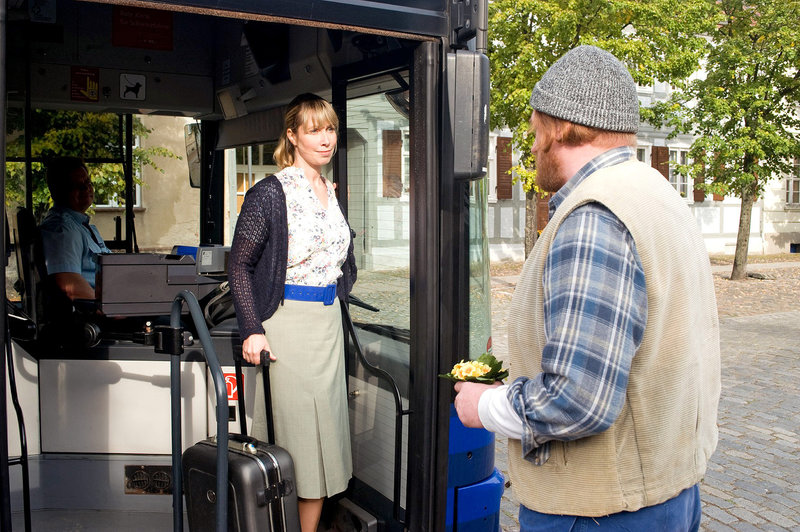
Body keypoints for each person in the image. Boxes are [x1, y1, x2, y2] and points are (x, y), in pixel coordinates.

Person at [453, 45, 721, 531]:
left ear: (558, 127)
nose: (531, 148)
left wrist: (485, 406)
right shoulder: (659, 193)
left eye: (534, 132)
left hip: (602, 512)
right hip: (668, 493)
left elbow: (578, 400)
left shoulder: (595, 217)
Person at [228, 93, 356, 532]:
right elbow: (239, 264)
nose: (326, 139)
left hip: (327, 325)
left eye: (331, 129)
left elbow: (339, 260)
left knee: (323, 448)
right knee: (298, 444)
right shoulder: (271, 192)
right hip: (287, 325)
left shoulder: (330, 191)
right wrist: (252, 329)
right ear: (292, 135)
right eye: (314, 130)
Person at [39, 156, 111, 300]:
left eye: (87, 182)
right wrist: (111, 312)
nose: (86, 188)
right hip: (94, 316)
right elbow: (69, 284)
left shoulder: (80, 226)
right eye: (75, 185)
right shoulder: (63, 229)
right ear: (57, 191)